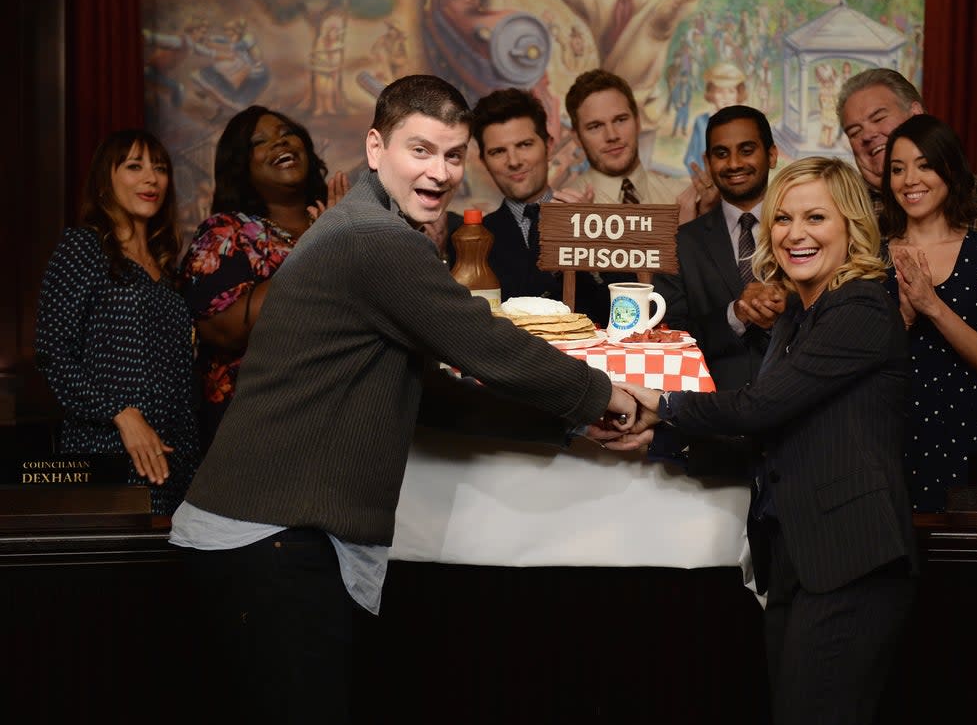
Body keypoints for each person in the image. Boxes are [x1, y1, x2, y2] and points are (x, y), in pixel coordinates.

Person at [169, 75, 634, 721]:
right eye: (420, 151)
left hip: (271, 539)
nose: (440, 172)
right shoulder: (375, 241)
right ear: (374, 148)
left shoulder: (370, 227)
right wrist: (604, 393)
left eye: (453, 155)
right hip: (268, 540)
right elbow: (485, 344)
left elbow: (432, 394)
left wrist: (566, 425)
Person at [604, 157, 917, 724]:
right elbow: (770, 431)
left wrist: (662, 403)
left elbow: (760, 406)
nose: (796, 234)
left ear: (851, 226)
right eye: (783, 219)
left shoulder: (862, 306)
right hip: (800, 555)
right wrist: (660, 438)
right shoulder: (800, 317)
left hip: (852, 557)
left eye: (816, 217)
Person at [35, 130, 199, 515]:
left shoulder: (167, 272)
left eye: (159, 169)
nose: (151, 178)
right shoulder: (83, 248)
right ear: (105, 180)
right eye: (134, 166)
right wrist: (123, 415)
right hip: (106, 454)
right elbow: (53, 353)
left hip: (176, 463)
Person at [180, 105, 349, 452]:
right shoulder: (226, 233)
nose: (279, 142)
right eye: (260, 141)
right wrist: (316, 250)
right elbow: (223, 331)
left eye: (287, 133)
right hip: (259, 434)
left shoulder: (346, 225)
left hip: (344, 422)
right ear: (240, 165)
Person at [880, 114, 977, 512]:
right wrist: (904, 319)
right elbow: (854, 364)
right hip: (889, 438)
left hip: (974, 438)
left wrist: (933, 307)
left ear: (951, 170)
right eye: (897, 169)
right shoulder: (868, 259)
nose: (910, 180)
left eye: (924, 165)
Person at [519, 0, 721, 125]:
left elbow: (672, 9)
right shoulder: (603, 8)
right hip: (606, 111)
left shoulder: (657, 7)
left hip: (640, 115)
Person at [654, 105, 786, 390]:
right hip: (713, 411)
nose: (734, 163)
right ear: (707, 161)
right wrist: (735, 314)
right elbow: (669, 335)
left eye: (747, 150)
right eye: (721, 154)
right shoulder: (680, 243)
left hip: (797, 407)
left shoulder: (805, 233)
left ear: (772, 154)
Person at [470, 87, 626, 324]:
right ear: (484, 161)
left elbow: (624, 312)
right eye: (498, 151)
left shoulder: (598, 224)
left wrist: (589, 241)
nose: (513, 161)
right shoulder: (473, 238)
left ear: (549, 146)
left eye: (524, 145)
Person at [837, 68, 977, 242]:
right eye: (854, 132)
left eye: (878, 118)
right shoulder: (843, 211)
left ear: (916, 114)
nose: (867, 135)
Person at [563, 68, 715, 223]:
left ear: (638, 122)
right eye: (595, 126)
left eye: (620, 120)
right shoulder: (564, 213)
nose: (612, 135)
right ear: (576, 138)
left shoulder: (688, 200)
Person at [683, 62, 747, 172]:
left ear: (738, 94)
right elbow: (690, 158)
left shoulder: (747, 123)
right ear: (711, 94)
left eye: (731, 91)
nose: (725, 97)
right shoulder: (702, 122)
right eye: (720, 92)